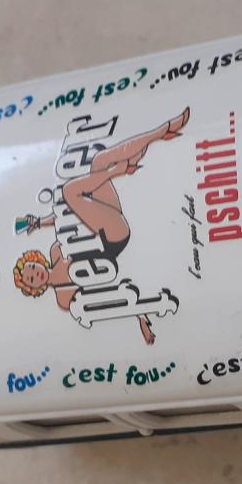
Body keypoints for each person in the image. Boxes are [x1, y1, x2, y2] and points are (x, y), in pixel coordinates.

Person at [13, 107, 190, 345]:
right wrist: (141, 316)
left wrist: (38, 223)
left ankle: (159, 134)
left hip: (105, 221)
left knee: (98, 161)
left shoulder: (55, 251)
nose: (36, 273)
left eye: (33, 268)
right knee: (70, 191)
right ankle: (122, 167)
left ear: (37, 260)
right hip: (113, 240)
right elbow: (106, 300)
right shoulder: (63, 297)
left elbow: (70, 217)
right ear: (34, 289)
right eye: (32, 278)